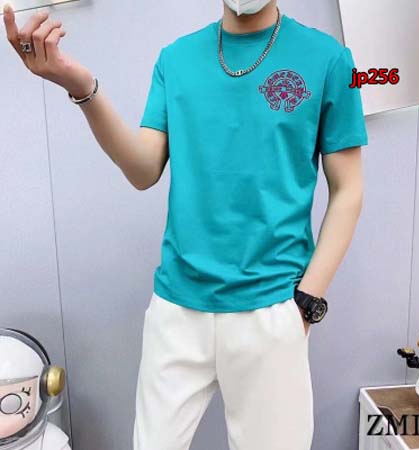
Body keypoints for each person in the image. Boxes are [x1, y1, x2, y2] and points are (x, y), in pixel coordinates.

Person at [2, 0, 368, 448]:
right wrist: (81, 87)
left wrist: (307, 302)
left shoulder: (328, 59)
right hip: (177, 308)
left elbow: (348, 190)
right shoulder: (176, 59)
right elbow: (143, 170)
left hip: (271, 307)